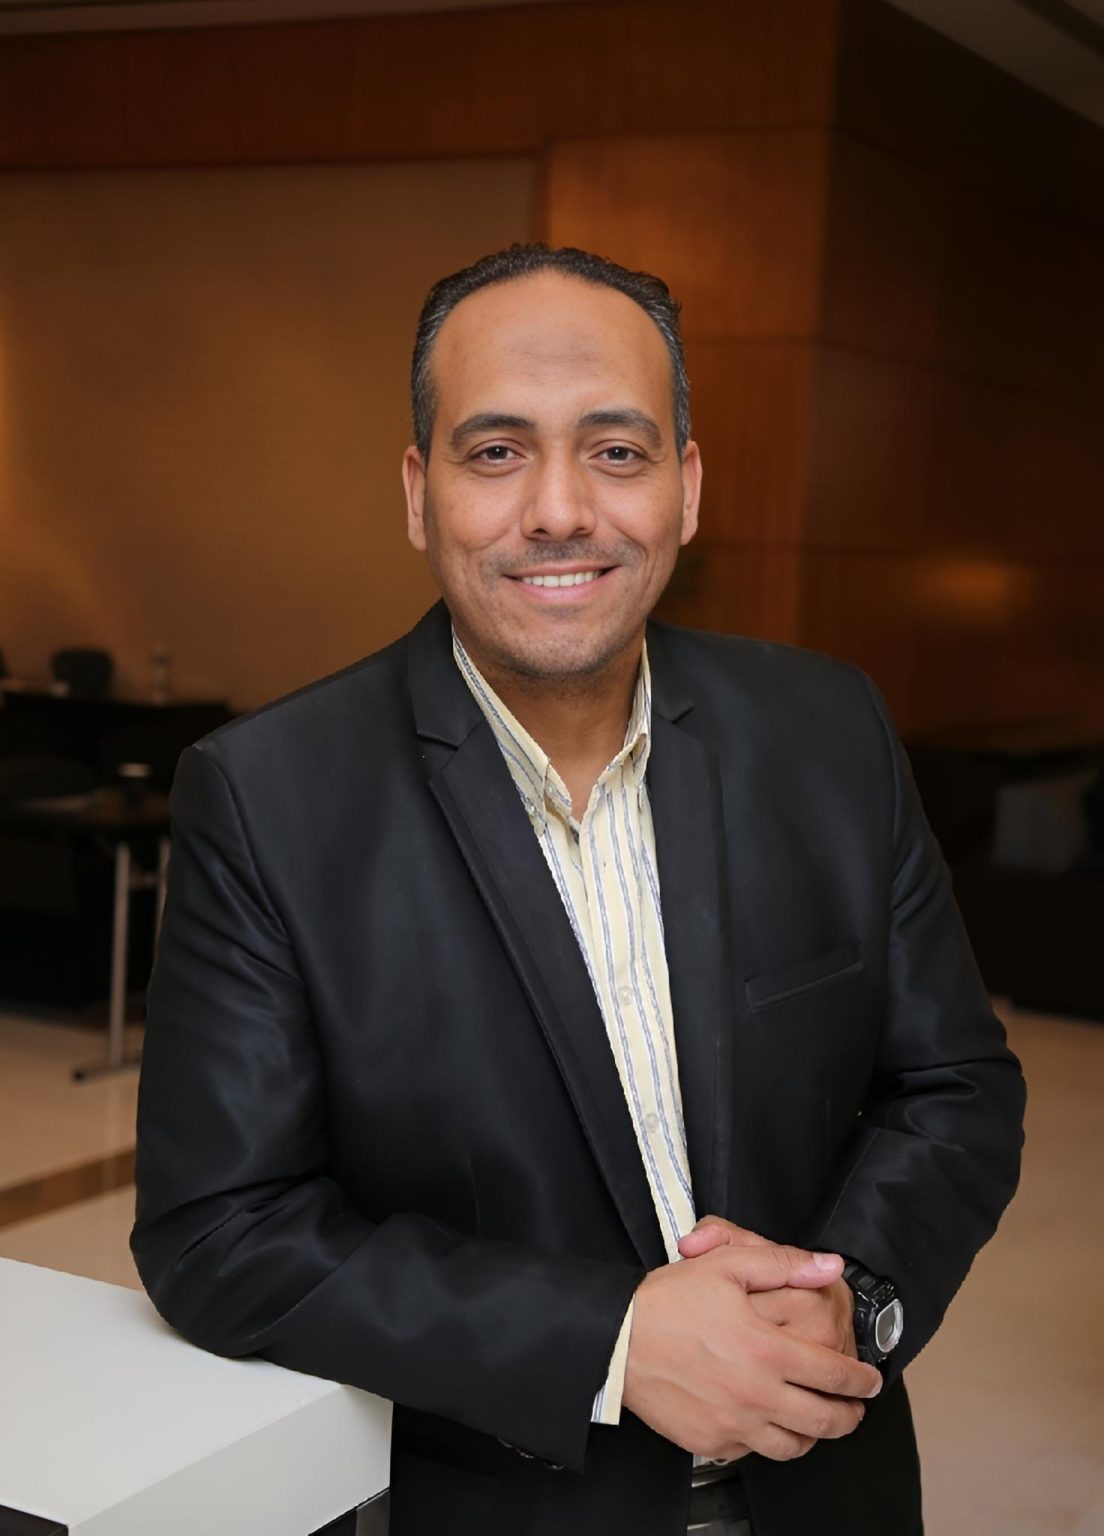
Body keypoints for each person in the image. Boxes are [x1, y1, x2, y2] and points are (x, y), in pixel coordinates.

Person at [132, 245, 1026, 1536]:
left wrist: (858, 1296)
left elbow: (955, 1086)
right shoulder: (268, 798)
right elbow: (220, 1232)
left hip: (829, 1482)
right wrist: (609, 1339)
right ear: (418, 493)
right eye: (497, 452)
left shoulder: (830, 731)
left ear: (687, 486)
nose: (558, 510)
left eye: (616, 450)